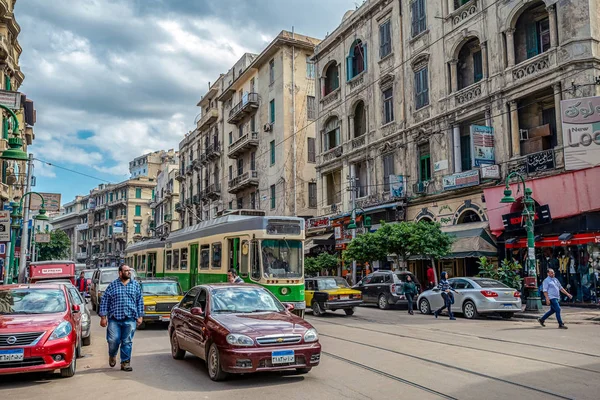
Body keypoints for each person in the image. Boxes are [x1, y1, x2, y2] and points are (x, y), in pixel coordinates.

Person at [98, 265, 144, 372]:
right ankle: (112, 355)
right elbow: (105, 301)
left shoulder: (135, 285)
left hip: (130, 318)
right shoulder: (112, 286)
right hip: (115, 319)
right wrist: (103, 317)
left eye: (129, 271)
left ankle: (125, 363)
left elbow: (139, 301)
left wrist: (140, 316)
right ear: (120, 273)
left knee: (127, 341)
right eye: (126, 271)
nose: (128, 272)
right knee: (113, 340)